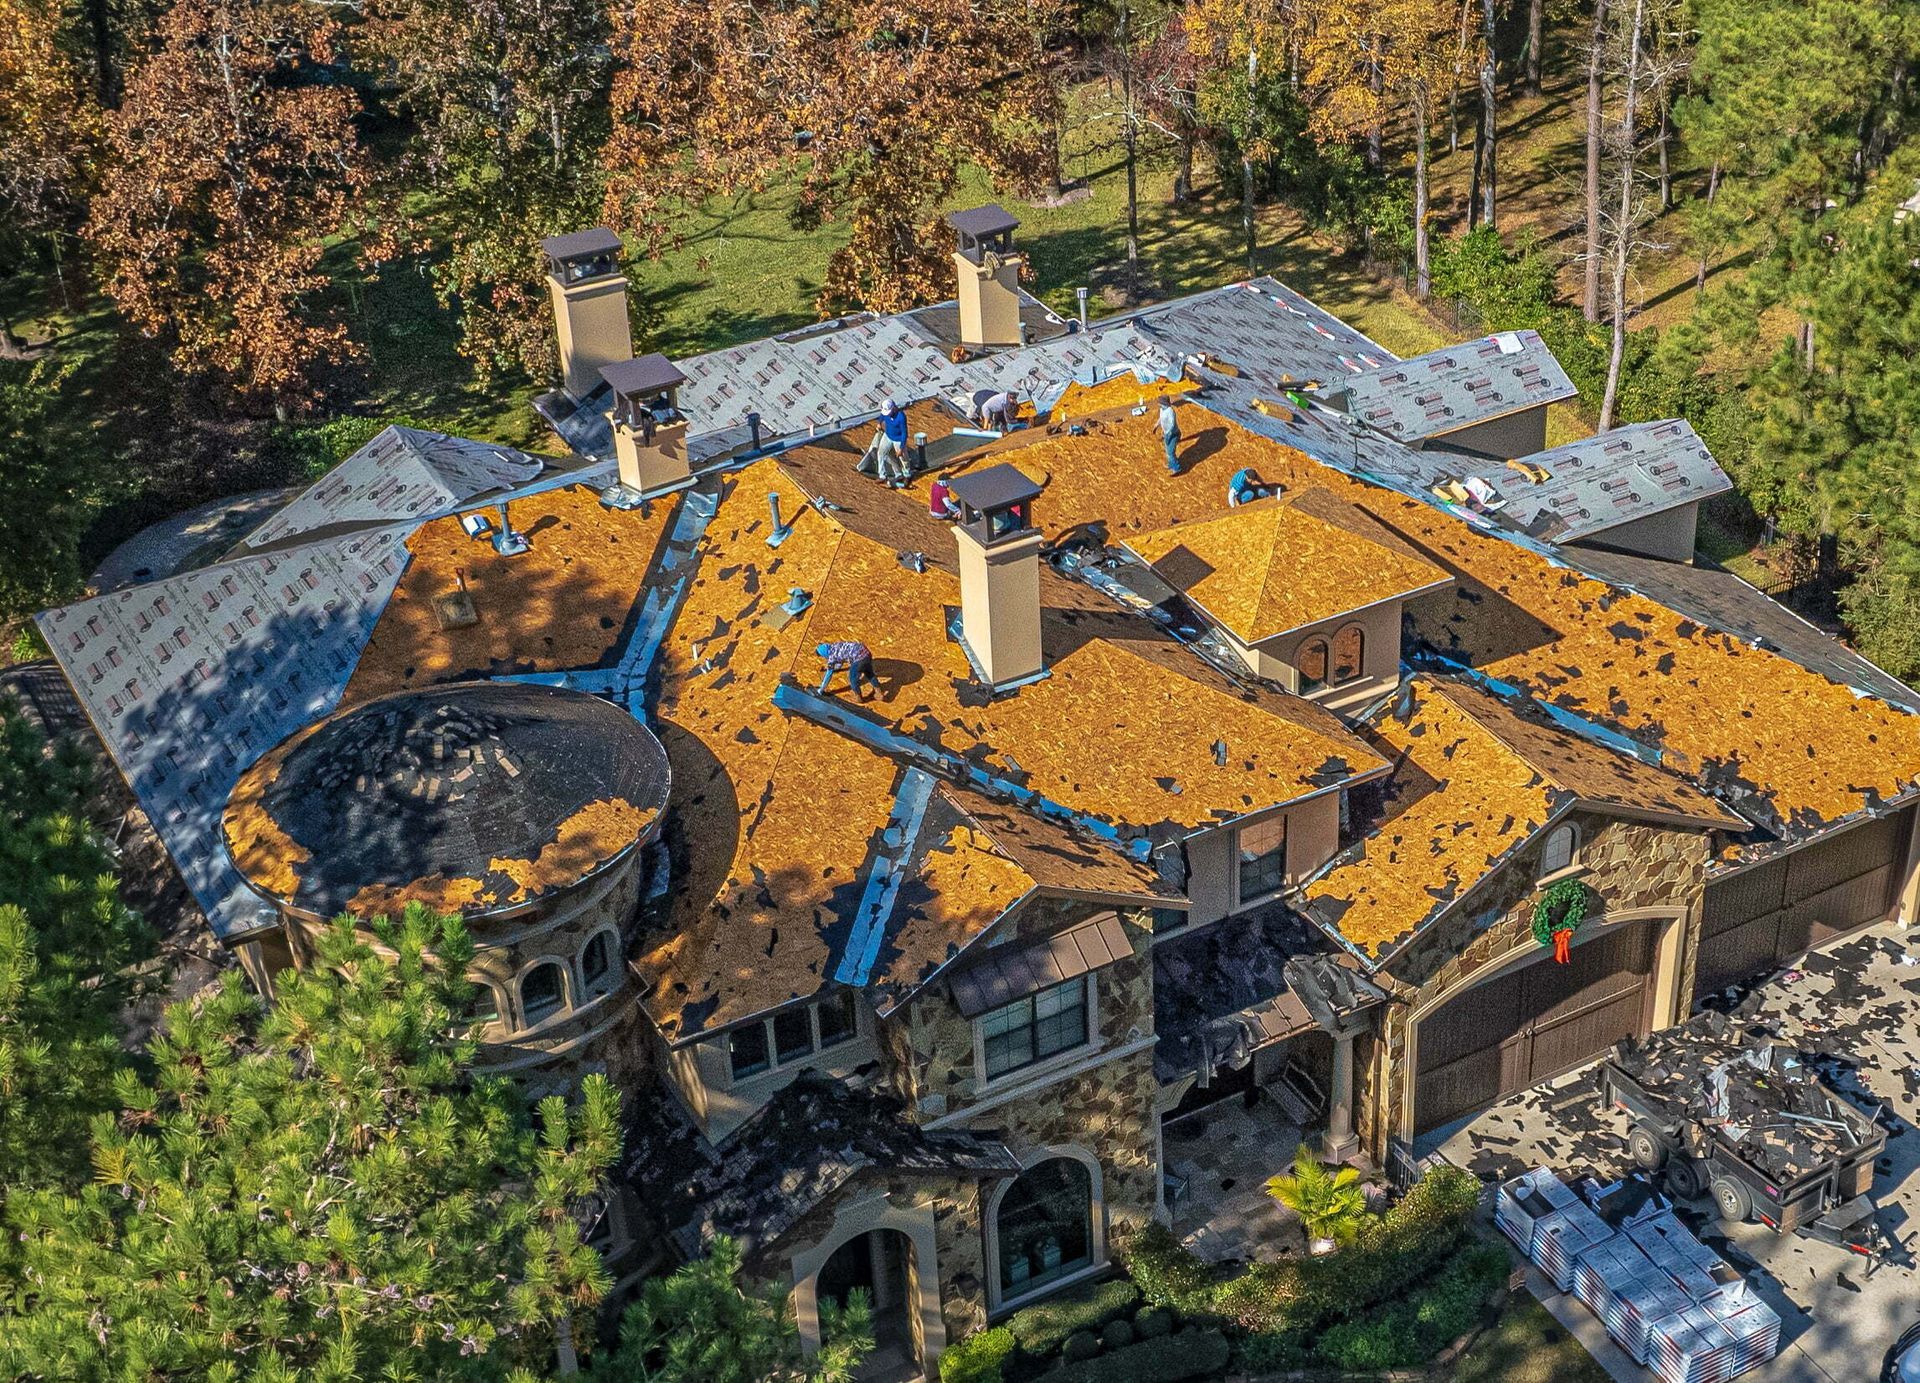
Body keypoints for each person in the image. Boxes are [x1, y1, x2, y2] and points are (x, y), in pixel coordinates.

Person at [816, 639, 880, 700]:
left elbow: (828, 675)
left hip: (859, 658)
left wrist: (821, 689)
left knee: (852, 678)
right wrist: (827, 668)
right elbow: (839, 664)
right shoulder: (836, 645)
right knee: (869, 673)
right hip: (866, 652)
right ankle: (879, 692)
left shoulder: (831, 657)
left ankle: (859, 698)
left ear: (824, 654)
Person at [875, 398, 911, 487]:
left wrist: (901, 448)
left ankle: (907, 474)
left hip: (898, 439)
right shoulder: (885, 413)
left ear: (894, 408)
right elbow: (882, 416)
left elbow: (904, 433)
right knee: (881, 453)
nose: (887, 414)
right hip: (887, 436)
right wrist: (879, 423)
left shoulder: (901, 417)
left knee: (903, 458)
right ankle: (883, 475)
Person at [1157, 395, 1181, 474]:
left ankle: (1176, 468)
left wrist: (1168, 435)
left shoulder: (1170, 411)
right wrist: (1156, 425)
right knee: (1168, 451)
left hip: (1173, 434)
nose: (1158, 404)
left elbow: (1172, 424)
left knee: (1170, 452)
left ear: (1164, 403)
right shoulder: (1162, 409)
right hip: (1166, 433)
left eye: (1160, 403)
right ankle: (1171, 464)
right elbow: (1161, 418)